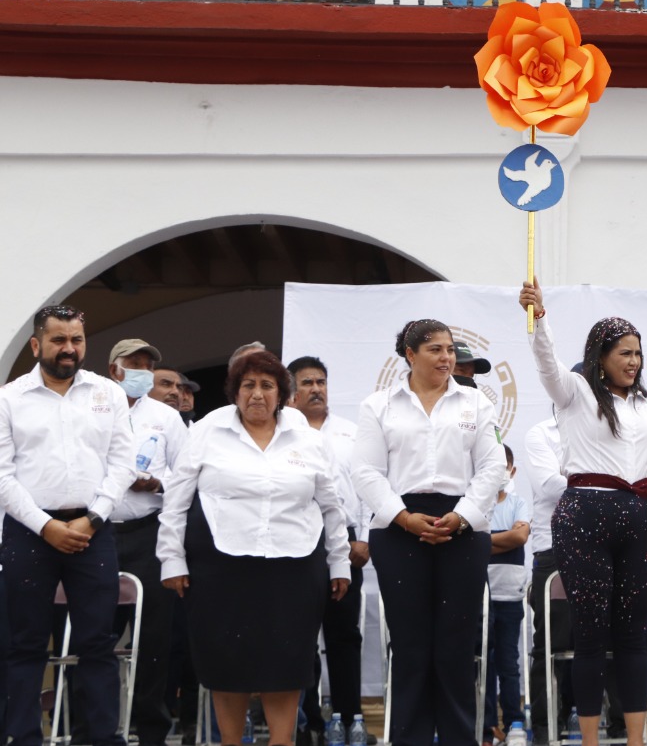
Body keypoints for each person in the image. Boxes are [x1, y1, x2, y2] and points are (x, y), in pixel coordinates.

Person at [518, 279, 647, 746]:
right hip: (585, 515)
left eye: (638, 353)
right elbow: (547, 363)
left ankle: (636, 740)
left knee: (632, 633)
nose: (633, 361)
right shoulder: (575, 393)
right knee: (591, 635)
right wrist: (539, 318)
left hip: (639, 519)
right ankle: (590, 740)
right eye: (624, 353)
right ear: (600, 356)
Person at [157, 350, 351, 746]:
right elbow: (176, 500)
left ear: (282, 393)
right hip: (220, 568)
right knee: (228, 664)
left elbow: (333, 507)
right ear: (235, 392)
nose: (257, 394)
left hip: (295, 566)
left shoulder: (309, 440)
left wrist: (340, 564)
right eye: (248, 385)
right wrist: (171, 559)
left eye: (267, 386)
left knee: (287, 664)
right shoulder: (207, 431)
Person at [352, 319, 506, 746]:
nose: (446, 358)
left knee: (456, 645)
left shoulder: (477, 404)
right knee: (411, 645)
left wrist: (462, 515)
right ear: (410, 354)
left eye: (450, 350)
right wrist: (403, 517)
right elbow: (365, 471)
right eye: (435, 350)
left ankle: (460, 738)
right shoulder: (378, 405)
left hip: (462, 525)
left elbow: (493, 467)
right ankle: (410, 738)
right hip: (399, 526)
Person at [0, 305, 135, 746]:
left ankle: (99, 738)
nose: (69, 349)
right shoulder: (9, 398)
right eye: (58, 340)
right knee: (25, 645)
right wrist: (45, 526)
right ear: (37, 344)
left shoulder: (108, 394)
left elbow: (123, 462)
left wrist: (94, 517)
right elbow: (2, 475)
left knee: (97, 642)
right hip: (28, 532)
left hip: (93, 530)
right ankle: (22, 739)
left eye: (76, 339)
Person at [104, 338, 189, 746]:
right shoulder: (95, 407)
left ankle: (152, 731)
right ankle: (96, 728)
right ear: (112, 370)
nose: (139, 370)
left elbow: (187, 476)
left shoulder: (166, 417)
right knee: (96, 634)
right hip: (98, 531)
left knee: (154, 635)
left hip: (149, 531)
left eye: (145, 364)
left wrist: (157, 482)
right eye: (132, 363)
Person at [286, 356, 369, 745]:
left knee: (343, 635)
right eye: (307, 383)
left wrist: (364, 537)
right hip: (299, 539)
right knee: (299, 635)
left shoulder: (352, 433)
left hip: (347, 540)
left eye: (321, 381)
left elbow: (370, 485)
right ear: (291, 392)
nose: (316, 389)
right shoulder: (282, 434)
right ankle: (306, 722)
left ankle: (349, 717)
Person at [522, 412, 571, 745]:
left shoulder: (613, 428)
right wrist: (604, 480)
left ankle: (614, 725)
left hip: (604, 549)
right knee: (549, 642)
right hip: (554, 550)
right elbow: (550, 485)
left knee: (608, 638)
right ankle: (543, 726)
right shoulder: (540, 433)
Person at [485, 445, 532, 744]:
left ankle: (515, 721)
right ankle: (487, 724)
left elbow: (520, 537)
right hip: (480, 596)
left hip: (510, 595)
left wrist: (486, 541)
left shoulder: (518, 504)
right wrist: (504, 540)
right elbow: (470, 543)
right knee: (484, 663)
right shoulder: (474, 505)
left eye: (505, 466)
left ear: (512, 471)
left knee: (508, 662)